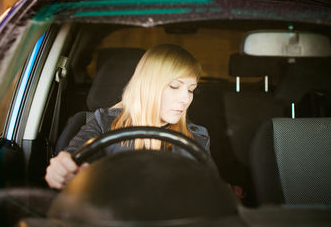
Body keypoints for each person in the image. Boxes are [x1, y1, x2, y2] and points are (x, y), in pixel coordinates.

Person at [45, 44, 210, 189]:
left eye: (191, 89)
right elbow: (74, 156)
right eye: (174, 86)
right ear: (147, 86)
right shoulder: (104, 123)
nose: (186, 99)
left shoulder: (196, 138)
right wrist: (62, 169)